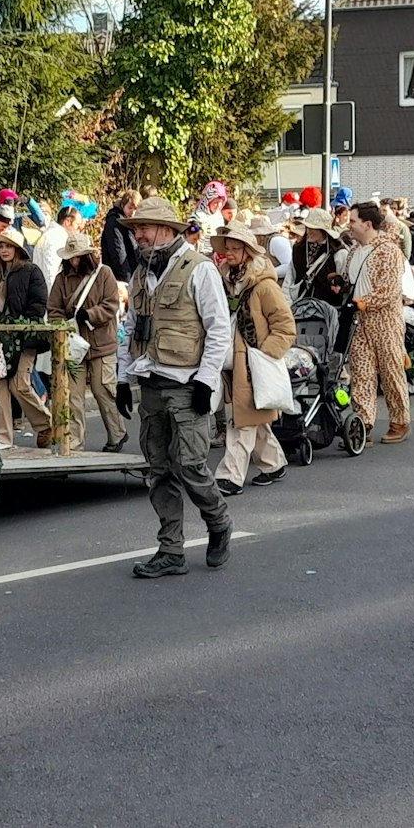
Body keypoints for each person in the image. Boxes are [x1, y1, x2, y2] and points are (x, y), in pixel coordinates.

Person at [114, 197, 233, 578]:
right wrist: (120, 377)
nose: (138, 236)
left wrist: (206, 381)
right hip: (151, 382)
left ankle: (218, 523)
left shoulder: (199, 270)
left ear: (166, 230)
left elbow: (218, 329)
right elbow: (130, 329)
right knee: (158, 469)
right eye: (135, 230)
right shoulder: (140, 274)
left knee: (191, 465)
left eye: (143, 229)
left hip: (187, 384)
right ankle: (170, 550)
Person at [210, 224, 295, 493]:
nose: (229, 253)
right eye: (227, 249)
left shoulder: (264, 286)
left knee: (242, 420)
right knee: (252, 417)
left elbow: (285, 325)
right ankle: (274, 463)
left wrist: (265, 353)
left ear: (247, 252)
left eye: (235, 249)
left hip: (251, 362)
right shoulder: (226, 280)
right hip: (234, 361)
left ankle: (230, 476)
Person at [338, 203, 410, 442]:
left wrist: (364, 302)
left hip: (385, 320)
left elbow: (389, 290)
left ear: (367, 224)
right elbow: (353, 280)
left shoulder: (388, 250)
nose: (349, 226)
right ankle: (363, 424)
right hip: (360, 320)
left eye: (353, 221)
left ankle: (400, 421)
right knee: (361, 373)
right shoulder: (354, 250)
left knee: (391, 372)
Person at [50, 234, 125, 452]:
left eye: (78, 257)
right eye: (71, 257)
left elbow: (111, 305)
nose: (74, 261)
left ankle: (116, 434)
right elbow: (53, 308)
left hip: (102, 344)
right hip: (74, 346)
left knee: (104, 391)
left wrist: (90, 315)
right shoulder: (61, 279)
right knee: (74, 396)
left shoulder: (104, 274)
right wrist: (64, 325)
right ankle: (75, 442)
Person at [0, 227, 52, 449]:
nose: (4, 250)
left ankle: (44, 424)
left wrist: (24, 325)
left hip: (24, 336)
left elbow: (38, 303)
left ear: (17, 249)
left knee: (19, 384)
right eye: (1, 246)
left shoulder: (31, 271)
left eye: (8, 246)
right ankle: (3, 438)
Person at [295, 208, 347, 306]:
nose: (308, 232)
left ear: (324, 231)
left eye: (312, 228)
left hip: (328, 311)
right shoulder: (299, 248)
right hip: (302, 308)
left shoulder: (339, 253)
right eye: (307, 227)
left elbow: (344, 286)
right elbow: (291, 278)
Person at [32, 204, 81, 286]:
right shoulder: (57, 238)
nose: (78, 230)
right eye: (77, 225)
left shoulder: (51, 234)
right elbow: (51, 272)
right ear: (67, 222)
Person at [251, 213, 295, 291]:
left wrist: (265, 273)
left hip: (284, 289)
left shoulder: (276, 241)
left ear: (260, 235)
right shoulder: (261, 245)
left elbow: (289, 266)